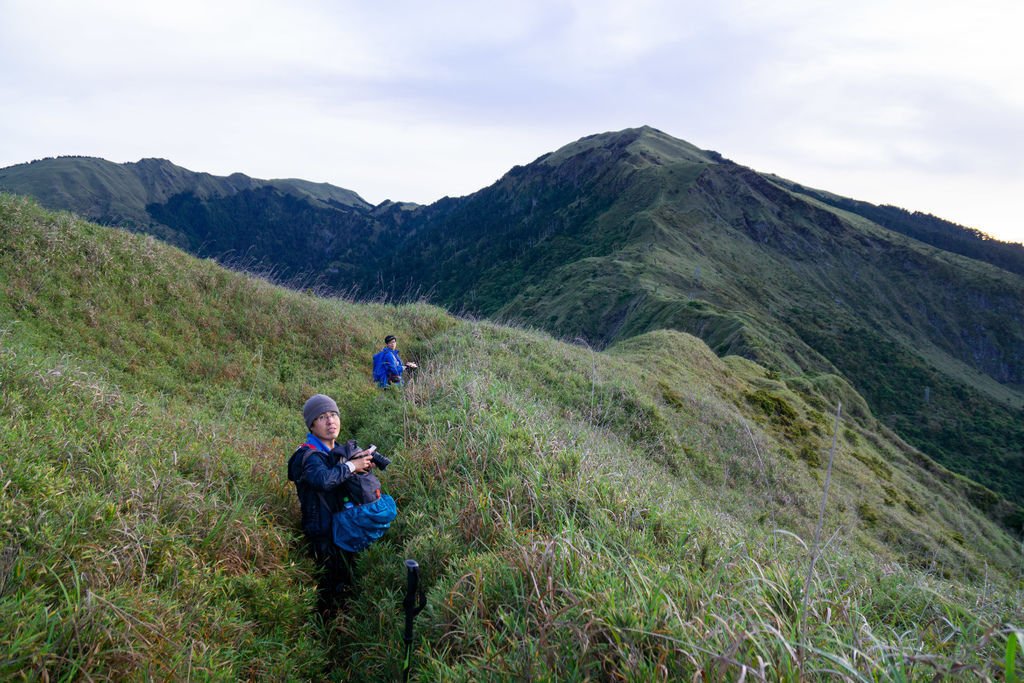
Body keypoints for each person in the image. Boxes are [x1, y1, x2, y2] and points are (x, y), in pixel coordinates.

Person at [286, 393, 375, 619]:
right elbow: (323, 480)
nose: (330, 421)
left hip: (342, 527)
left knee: (346, 580)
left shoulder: (335, 452)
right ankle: (326, 630)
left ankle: (345, 621)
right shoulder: (307, 455)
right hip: (323, 533)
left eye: (334, 415)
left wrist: (359, 466)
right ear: (312, 424)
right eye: (322, 417)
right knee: (328, 586)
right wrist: (352, 467)